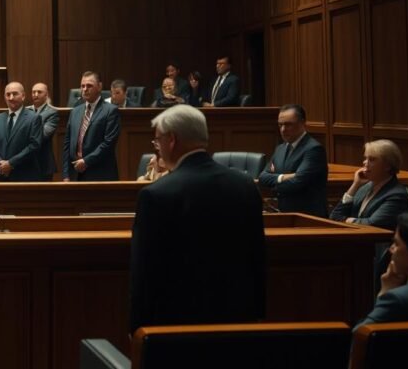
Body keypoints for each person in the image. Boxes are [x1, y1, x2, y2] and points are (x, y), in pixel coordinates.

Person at [129, 105, 265, 333]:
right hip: (239, 321)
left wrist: (137, 329)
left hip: (177, 327)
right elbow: (257, 256)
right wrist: (257, 315)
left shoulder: (156, 194)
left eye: (157, 140)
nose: (157, 147)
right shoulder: (245, 185)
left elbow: (145, 272)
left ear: (172, 140)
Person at [257, 104, 328, 217]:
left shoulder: (313, 149)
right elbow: (263, 177)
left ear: (302, 123)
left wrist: (273, 186)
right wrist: (283, 177)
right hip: (285, 213)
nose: (283, 129)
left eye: (288, 124)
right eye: (280, 125)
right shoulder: (280, 149)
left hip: (308, 217)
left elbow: (297, 182)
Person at [330, 139, 408, 231]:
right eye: (365, 158)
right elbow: (335, 216)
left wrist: (346, 220)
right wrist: (355, 185)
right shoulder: (364, 187)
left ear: (388, 166)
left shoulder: (397, 196)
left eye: (372, 159)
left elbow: (372, 224)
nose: (365, 163)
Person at [358, 212, 408, 326]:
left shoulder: (397, 299)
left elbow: (360, 333)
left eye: (396, 244)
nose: (391, 249)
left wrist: (385, 291)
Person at [62, 71, 120, 181]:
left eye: (89, 86)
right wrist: (66, 174)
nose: (85, 89)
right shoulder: (75, 111)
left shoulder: (111, 111)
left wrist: (86, 161)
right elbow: (67, 144)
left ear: (99, 87)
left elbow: (108, 143)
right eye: (82, 86)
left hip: (100, 174)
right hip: (75, 174)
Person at [0, 82, 43, 182]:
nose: (11, 98)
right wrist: (0, 163)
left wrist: (10, 164)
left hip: (24, 176)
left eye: (15, 94)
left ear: (23, 96)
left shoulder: (34, 118)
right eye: (8, 94)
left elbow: (34, 145)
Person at [29, 82, 59, 180]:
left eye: (39, 92)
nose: (35, 94)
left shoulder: (52, 113)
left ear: (46, 95)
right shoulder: (25, 111)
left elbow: (43, 135)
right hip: (26, 162)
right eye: (33, 92)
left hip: (43, 163)